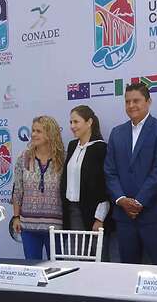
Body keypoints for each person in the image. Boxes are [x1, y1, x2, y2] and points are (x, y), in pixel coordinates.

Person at [104, 82, 157, 265]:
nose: (131, 105)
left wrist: (138, 202)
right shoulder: (117, 132)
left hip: (154, 216)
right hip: (124, 217)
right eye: (127, 101)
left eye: (136, 100)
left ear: (148, 101)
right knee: (127, 272)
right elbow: (110, 171)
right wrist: (121, 200)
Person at [60, 105, 111, 258]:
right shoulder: (72, 145)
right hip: (73, 211)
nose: (72, 126)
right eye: (70, 122)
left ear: (89, 122)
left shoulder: (101, 148)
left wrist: (100, 218)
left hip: (95, 213)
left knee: (99, 258)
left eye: (76, 122)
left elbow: (105, 185)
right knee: (76, 257)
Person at [12, 115, 64, 259]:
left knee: (58, 270)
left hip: (56, 227)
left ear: (50, 133)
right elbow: (17, 190)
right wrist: (16, 217)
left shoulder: (62, 159)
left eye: (38, 131)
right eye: (33, 130)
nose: (33, 134)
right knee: (32, 268)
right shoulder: (23, 158)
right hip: (28, 226)